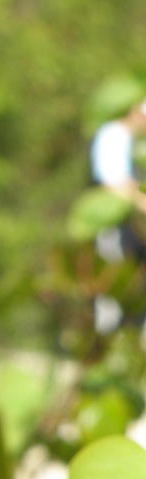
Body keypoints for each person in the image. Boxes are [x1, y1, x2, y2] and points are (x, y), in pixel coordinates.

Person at [90, 99, 146, 332]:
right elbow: (114, 184)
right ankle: (106, 350)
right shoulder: (114, 135)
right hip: (115, 225)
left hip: (136, 228)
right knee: (113, 287)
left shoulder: (135, 143)